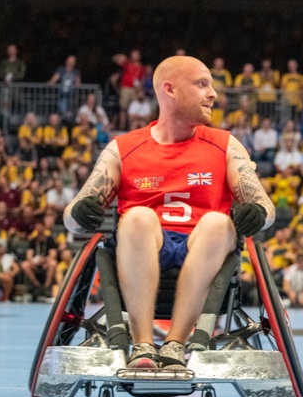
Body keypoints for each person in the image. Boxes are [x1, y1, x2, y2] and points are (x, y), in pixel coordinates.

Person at [63, 56, 275, 371]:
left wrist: (258, 214)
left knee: (218, 222)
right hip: (144, 246)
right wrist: (81, 210)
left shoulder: (226, 145)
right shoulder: (123, 148)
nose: (213, 94)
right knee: (136, 217)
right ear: (170, 90)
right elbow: (71, 216)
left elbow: (265, 207)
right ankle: (143, 346)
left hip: (204, 248)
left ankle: (175, 345)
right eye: (202, 84)